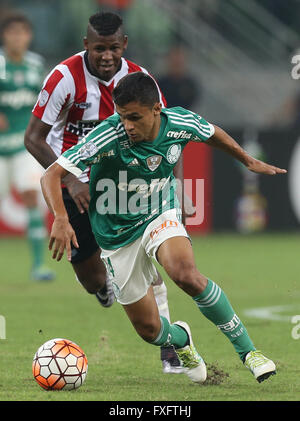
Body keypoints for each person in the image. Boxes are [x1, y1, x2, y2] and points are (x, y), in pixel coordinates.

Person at [40, 71, 287, 384]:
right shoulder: (107, 134)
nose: (127, 125)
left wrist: (246, 159)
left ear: (157, 109)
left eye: (134, 117)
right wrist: (61, 218)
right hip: (115, 234)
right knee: (150, 330)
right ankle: (181, 340)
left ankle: (250, 353)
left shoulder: (180, 122)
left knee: (184, 273)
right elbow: (51, 174)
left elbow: (212, 133)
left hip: (159, 210)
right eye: (121, 116)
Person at [25, 12, 183, 373]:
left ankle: (171, 348)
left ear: (124, 45)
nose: (106, 56)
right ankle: (103, 286)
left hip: (123, 181)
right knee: (92, 277)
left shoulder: (141, 82)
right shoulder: (63, 77)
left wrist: (169, 186)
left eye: (113, 48)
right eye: (99, 49)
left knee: (149, 262)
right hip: (72, 181)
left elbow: (166, 135)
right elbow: (33, 138)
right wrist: (71, 180)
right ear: (86, 46)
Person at [0, 13, 54, 281]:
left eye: (22, 33)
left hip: (24, 146)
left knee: (32, 195)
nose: (17, 38)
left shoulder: (36, 66)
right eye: (12, 33)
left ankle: (38, 265)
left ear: (29, 36)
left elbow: (44, 103)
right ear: (4, 36)